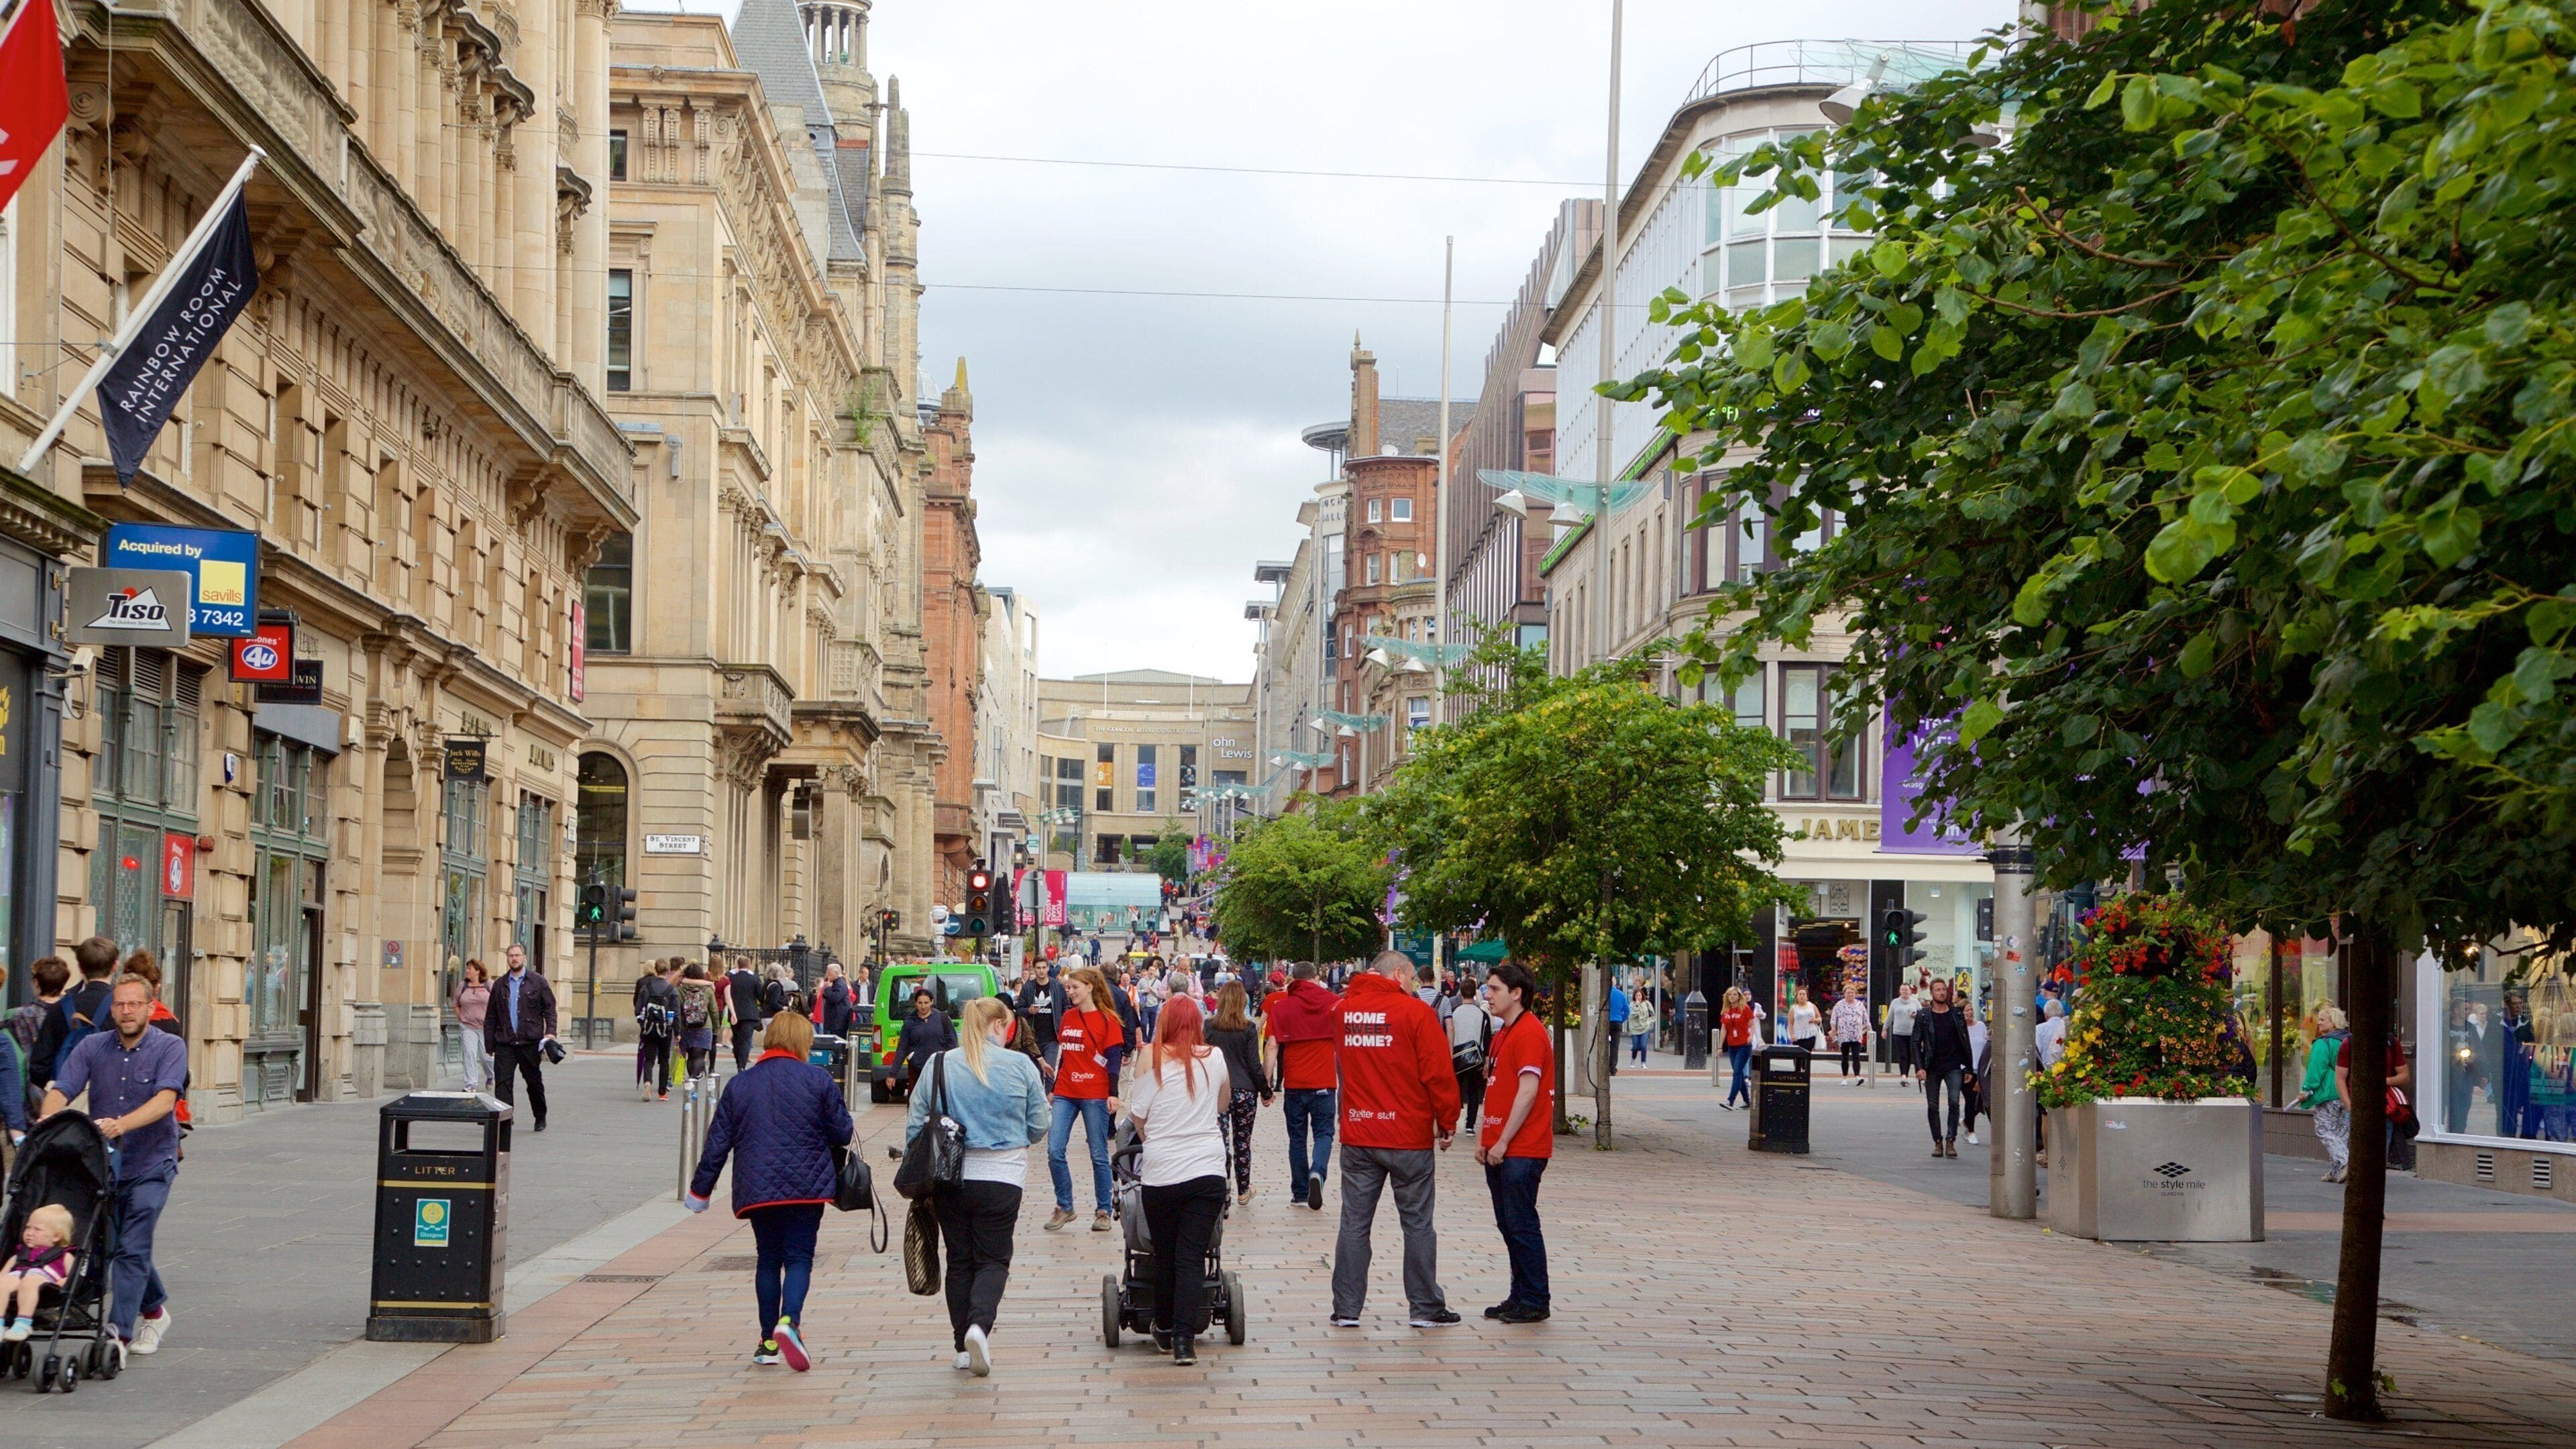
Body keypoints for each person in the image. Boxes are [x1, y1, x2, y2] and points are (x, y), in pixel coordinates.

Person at [686, 1010, 853, 1372]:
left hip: (757, 1187)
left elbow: (717, 1143)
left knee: (767, 1259)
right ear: (801, 1042)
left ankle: (766, 1343)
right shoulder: (818, 1079)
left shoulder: (741, 1084)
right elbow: (842, 1133)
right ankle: (789, 1322)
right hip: (807, 1188)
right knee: (798, 1258)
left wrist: (701, 1191)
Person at [43, 976, 186, 1361]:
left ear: (149, 1007)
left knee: (133, 1244)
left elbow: (165, 1100)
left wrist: (121, 1124)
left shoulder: (170, 1046)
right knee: (117, 1243)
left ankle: (119, 1334)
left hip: (152, 1161)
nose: (126, 1011)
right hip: (105, 1165)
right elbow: (63, 1087)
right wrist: (46, 1122)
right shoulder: (93, 1046)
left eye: (133, 1005)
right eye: (120, 1005)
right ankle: (155, 1311)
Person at [908, 997, 1046, 1377]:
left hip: (949, 1177)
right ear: (1000, 1024)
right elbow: (1039, 1126)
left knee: (960, 1259)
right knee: (994, 1259)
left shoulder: (939, 1064)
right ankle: (979, 1327)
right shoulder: (1019, 1065)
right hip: (1002, 1176)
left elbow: (916, 1120)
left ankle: (961, 1346)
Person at [1329, 950, 1462, 1330]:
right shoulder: (1417, 1014)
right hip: (1408, 1135)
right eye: (1410, 980)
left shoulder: (1343, 1013)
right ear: (1400, 974)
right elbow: (1438, 1074)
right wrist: (1448, 1121)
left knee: (1354, 1223)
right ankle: (1424, 1307)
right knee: (1418, 1224)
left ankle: (1347, 1309)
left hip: (1359, 1133)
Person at [1125, 996, 1230, 1364]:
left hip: (1163, 1172)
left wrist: (1156, 1135)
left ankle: (1166, 1326)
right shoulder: (1214, 1057)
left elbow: (1138, 1118)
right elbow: (1222, 1105)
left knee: (1166, 1254)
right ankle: (1185, 1341)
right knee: (1192, 1256)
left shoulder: (1151, 1058)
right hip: (1207, 1169)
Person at [1476, 961, 1553, 1323]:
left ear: (1516, 993)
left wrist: (1503, 1141)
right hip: (1500, 1146)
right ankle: (1520, 1293)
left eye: (1494, 989)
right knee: (1509, 1224)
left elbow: (1528, 1091)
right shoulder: (1503, 1033)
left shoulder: (1530, 1034)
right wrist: (1484, 1136)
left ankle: (1536, 1299)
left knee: (1522, 1224)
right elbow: (1495, 1090)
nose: (1487, 995)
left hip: (1523, 1148)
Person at [1044, 967, 1123, 1232]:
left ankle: (1103, 1209)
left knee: (1099, 1153)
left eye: (1075, 987)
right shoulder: (1068, 1017)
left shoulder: (1108, 1020)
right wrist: (1055, 1086)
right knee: (1054, 1148)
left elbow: (1113, 1060)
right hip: (1066, 1091)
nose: (1071, 992)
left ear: (1090, 987)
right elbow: (1064, 1055)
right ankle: (1065, 1206)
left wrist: (1113, 1093)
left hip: (1094, 1092)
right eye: (1068, 987)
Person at [1263, 961, 1342, 1211]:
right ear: (1316, 978)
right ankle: (1317, 1172)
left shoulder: (1282, 1006)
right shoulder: (1333, 1003)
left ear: (1292, 980)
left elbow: (1273, 1045)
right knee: (1324, 1134)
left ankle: (1300, 1192)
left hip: (1295, 1084)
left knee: (1297, 1138)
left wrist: (1266, 1082)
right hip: (1324, 1083)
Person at [1203, 982, 1267, 1204]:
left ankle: (1221, 1190)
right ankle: (1243, 1190)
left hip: (1217, 1091)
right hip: (1245, 1092)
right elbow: (1254, 1065)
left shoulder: (1209, 1026)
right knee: (1242, 1142)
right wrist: (1266, 1092)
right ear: (1243, 1001)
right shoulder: (1248, 1028)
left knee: (1219, 1142)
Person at [485, 943, 559, 1133]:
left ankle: (540, 1116)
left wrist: (550, 1032)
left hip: (529, 1042)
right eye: (511, 956)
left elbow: (550, 1008)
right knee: (503, 1084)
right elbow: (491, 1016)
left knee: (534, 1083)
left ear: (524, 957)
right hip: (505, 1042)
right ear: (507, 959)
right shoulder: (500, 985)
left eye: (517, 955)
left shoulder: (538, 982)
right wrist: (489, 1044)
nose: (514, 959)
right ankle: (505, 1120)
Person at [32, 936, 117, 1090]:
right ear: (115, 967)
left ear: (80, 968)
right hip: (110, 1099)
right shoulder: (123, 1008)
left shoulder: (59, 1009)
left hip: (65, 1100)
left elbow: (39, 1066)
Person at [1913, 978, 1972, 1157]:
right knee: (1933, 1105)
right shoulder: (1924, 1015)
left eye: (1944, 989)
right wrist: (1919, 1067)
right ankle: (1937, 1141)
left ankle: (1951, 1140)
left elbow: (1965, 1040)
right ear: (1931, 993)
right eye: (1937, 990)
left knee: (1954, 1101)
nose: (1941, 992)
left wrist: (1969, 1067)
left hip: (1953, 1065)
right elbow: (1916, 1043)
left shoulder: (1956, 1014)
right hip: (1932, 1066)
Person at [1, 1203, 76, 1342]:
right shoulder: (19, 1254)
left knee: (30, 1282)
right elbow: (3, 1274)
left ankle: (23, 1323)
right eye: (28, 1227)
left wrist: (65, 1281)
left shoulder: (63, 1255)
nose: (30, 1232)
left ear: (56, 1236)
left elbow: (74, 1277)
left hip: (43, 1282)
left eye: (37, 1229)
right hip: (18, 1276)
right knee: (3, 1283)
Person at [2300, 1004, 2351, 1183]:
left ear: (2334, 1022)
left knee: (2325, 1130)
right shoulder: (2350, 1040)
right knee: (2341, 1133)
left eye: (2323, 1020)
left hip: (2328, 1093)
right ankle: (2336, 1172)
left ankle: (2347, 1162)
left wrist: (2306, 1091)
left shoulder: (2324, 1043)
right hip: (2348, 1094)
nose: (2319, 1024)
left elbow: (2316, 1070)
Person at [1446, 981, 1494, 1129]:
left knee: (1455, 1091)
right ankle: (1470, 1125)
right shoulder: (1482, 1014)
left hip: (1457, 1058)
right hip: (1476, 1059)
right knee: (1473, 1092)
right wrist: (1487, 1062)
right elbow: (1487, 1040)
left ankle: (1451, 1122)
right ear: (1475, 993)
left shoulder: (1454, 1012)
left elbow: (1449, 1034)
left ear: (1460, 993)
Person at [896, 988, 958, 1091]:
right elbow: (902, 1048)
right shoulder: (909, 1022)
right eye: (920, 1003)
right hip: (917, 1070)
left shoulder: (943, 1019)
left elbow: (953, 1045)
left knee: (938, 1103)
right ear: (915, 1003)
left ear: (932, 1002)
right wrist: (893, 1074)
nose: (923, 1006)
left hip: (939, 1069)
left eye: (926, 1003)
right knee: (915, 1104)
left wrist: (952, 1067)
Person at [635, 959, 679, 1101]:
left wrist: (643, 1023)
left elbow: (637, 1009)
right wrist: (677, 1033)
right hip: (666, 1030)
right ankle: (662, 1092)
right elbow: (677, 1013)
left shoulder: (646, 987)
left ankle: (648, 1082)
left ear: (656, 969)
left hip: (648, 1029)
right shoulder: (672, 990)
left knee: (649, 1059)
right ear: (667, 971)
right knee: (664, 1060)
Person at [453, 960, 494, 1093]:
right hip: (468, 1026)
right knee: (469, 1053)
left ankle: (490, 1075)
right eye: (467, 968)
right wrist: (461, 1017)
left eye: (470, 968)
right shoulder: (463, 985)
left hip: (486, 1028)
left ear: (478, 971)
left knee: (486, 1057)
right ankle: (471, 1084)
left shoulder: (489, 985)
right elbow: (456, 1003)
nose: (467, 971)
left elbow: (499, 1003)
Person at [1017, 960, 1064, 1070]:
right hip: (1033, 1037)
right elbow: (1019, 1009)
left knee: (1050, 1071)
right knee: (1034, 1073)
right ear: (1034, 969)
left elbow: (1066, 1005)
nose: (1041, 971)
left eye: (1044, 967)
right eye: (1039, 968)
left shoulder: (1057, 986)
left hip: (1052, 1037)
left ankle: (1049, 1088)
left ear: (1048, 968)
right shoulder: (1028, 987)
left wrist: (1062, 1024)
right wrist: (1029, 1011)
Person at [678, 962, 721, 1079]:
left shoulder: (680, 989)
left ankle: (690, 1078)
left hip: (685, 1025)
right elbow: (714, 1010)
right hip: (704, 1026)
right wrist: (717, 1028)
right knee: (699, 1056)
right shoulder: (707, 989)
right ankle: (693, 1078)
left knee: (690, 1055)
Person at [1717, 987, 1756, 1110]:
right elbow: (1724, 1029)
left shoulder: (1745, 1009)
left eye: (1735, 995)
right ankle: (1747, 1101)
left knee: (1737, 1073)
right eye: (1730, 995)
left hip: (1744, 1045)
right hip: (1732, 1045)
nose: (1732, 997)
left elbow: (1752, 1024)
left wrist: (1751, 1035)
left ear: (1739, 996)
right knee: (1738, 1074)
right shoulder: (1726, 1010)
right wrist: (1720, 1046)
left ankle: (1730, 1100)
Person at [727, 957, 765, 1071]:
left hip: (735, 1013)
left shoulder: (731, 979)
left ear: (738, 965)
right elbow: (761, 996)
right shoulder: (754, 979)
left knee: (737, 1038)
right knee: (746, 1040)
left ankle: (739, 1060)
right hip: (750, 1014)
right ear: (749, 965)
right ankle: (741, 1065)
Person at [1964, 1003, 1992, 1146]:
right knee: (1970, 1100)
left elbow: (1987, 1042)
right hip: (1966, 1069)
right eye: (1967, 1010)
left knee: (1979, 1101)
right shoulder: (1960, 1029)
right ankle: (1971, 1131)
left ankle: (1965, 1121)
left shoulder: (1981, 1025)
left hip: (1981, 1069)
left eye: (1971, 1010)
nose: (1970, 1013)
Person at [1829, 983, 1870, 1082]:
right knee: (1845, 1056)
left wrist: (1869, 1030)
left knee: (1856, 1056)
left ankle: (1857, 1076)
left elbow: (1866, 1018)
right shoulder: (1839, 1005)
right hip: (1844, 1035)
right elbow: (1834, 1018)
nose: (1850, 994)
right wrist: (1833, 1029)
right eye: (1848, 993)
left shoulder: (1860, 1005)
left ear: (1855, 994)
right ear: (1844, 994)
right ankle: (1845, 1077)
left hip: (1856, 1035)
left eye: (1852, 992)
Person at [1884, 982, 1919, 1076]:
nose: (1904, 991)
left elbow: (1923, 1016)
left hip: (1912, 1033)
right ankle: (1903, 1075)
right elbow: (1890, 1016)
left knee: (1909, 1055)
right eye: (1902, 990)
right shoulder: (1895, 1002)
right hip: (1898, 1033)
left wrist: (1916, 1015)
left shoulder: (1915, 1002)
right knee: (1902, 1054)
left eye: (1906, 990)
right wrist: (1885, 1029)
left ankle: (1906, 1074)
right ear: (1899, 991)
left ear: (1910, 991)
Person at [816, 961, 859, 1038]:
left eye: (829, 973)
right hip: (832, 1021)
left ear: (835, 973)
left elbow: (835, 998)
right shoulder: (833, 983)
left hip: (838, 1022)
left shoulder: (840, 984)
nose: (827, 975)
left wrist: (828, 988)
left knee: (836, 1044)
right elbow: (826, 997)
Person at [1604, 977, 1630, 1075]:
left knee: (1603, 1044)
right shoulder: (1620, 994)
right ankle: (1613, 1067)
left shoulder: (1604, 994)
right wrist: (1621, 1019)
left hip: (1606, 1022)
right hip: (1617, 1022)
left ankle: (1603, 1064)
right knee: (1615, 1046)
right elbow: (1627, 1010)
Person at [1789, 985, 1823, 1055]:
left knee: (1807, 1054)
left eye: (1804, 994)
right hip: (1798, 1035)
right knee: (1797, 1056)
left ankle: (1806, 1066)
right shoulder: (1793, 1008)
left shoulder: (1812, 1006)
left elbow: (1819, 1018)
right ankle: (1798, 1066)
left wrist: (1815, 1020)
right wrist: (1792, 1035)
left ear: (1807, 997)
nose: (1802, 996)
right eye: (1800, 994)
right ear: (1797, 997)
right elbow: (1790, 1024)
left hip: (1810, 1034)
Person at [1627, 991, 1658, 1067]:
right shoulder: (1632, 1004)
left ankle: (1643, 1062)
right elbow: (1632, 1015)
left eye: (1640, 995)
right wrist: (1637, 1006)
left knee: (1644, 1046)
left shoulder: (1647, 1003)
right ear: (1634, 996)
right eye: (1637, 996)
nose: (1638, 997)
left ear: (1642, 996)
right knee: (1635, 1047)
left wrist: (1649, 1022)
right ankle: (1633, 1059)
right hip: (1635, 1028)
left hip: (1644, 1027)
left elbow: (1653, 1015)